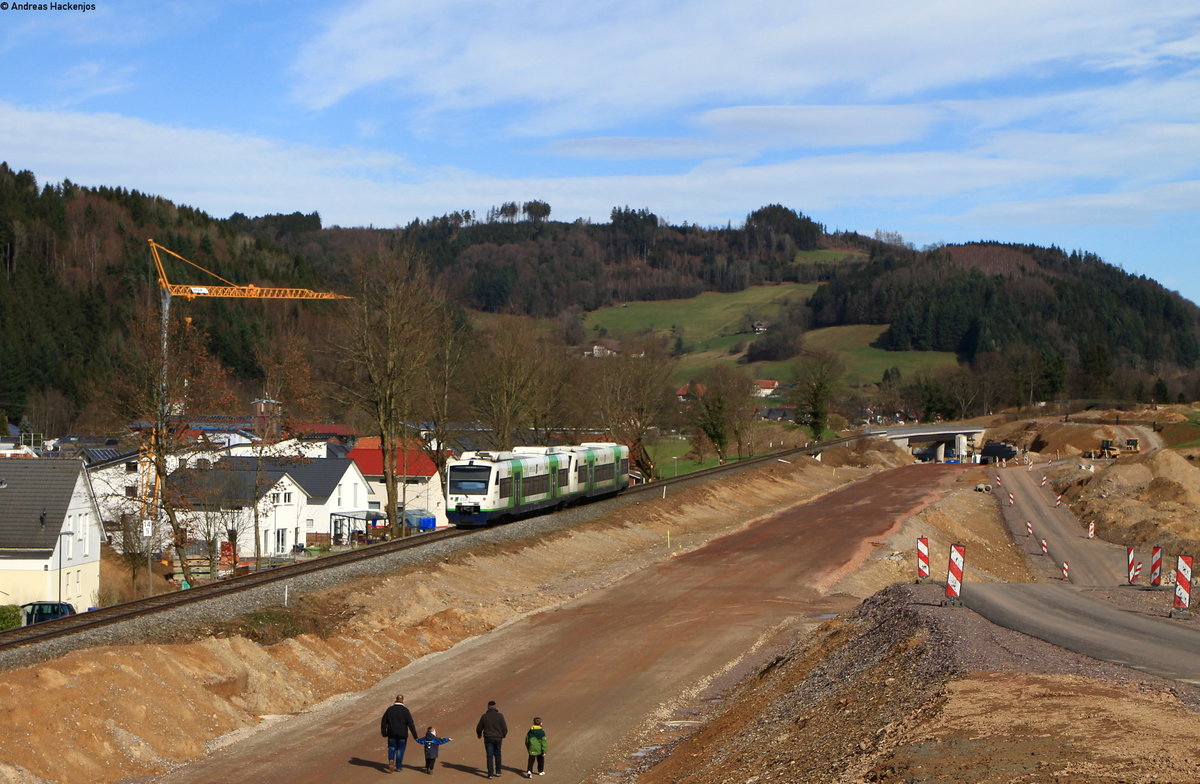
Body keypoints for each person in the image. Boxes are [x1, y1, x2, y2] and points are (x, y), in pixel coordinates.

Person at [380, 694, 420, 773]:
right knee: (400, 749)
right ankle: (398, 766)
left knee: (391, 747)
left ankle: (391, 760)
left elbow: (383, 721)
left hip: (391, 733)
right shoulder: (405, 710)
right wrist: (415, 736)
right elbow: (411, 724)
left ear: (396, 699)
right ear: (403, 700)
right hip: (402, 734)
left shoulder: (390, 709)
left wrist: (384, 732)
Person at [475, 700, 508, 778]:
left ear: (488, 707)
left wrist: (479, 735)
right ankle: (498, 771)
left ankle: (490, 774)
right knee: (498, 754)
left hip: (488, 738)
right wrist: (503, 735)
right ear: (495, 707)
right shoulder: (500, 716)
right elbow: (504, 728)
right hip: (498, 738)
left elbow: (479, 728)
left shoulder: (484, 716)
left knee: (489, 756)